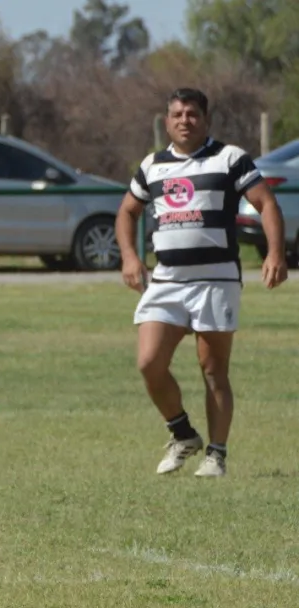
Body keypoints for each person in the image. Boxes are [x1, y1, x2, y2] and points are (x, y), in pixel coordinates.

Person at [115, 87, 288, 478]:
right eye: (177, 114)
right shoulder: (152, 166)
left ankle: (217, 454)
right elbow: (127, 211)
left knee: (213, 371)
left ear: (205, 119)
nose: (184, 120)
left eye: (192, 114)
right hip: (166, 282)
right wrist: (129, 256)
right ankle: (182, 433)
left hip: (216, 281)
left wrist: (276, 253)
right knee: (148, 363)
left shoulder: (229, 158)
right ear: (167, 121)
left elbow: (267, 204)